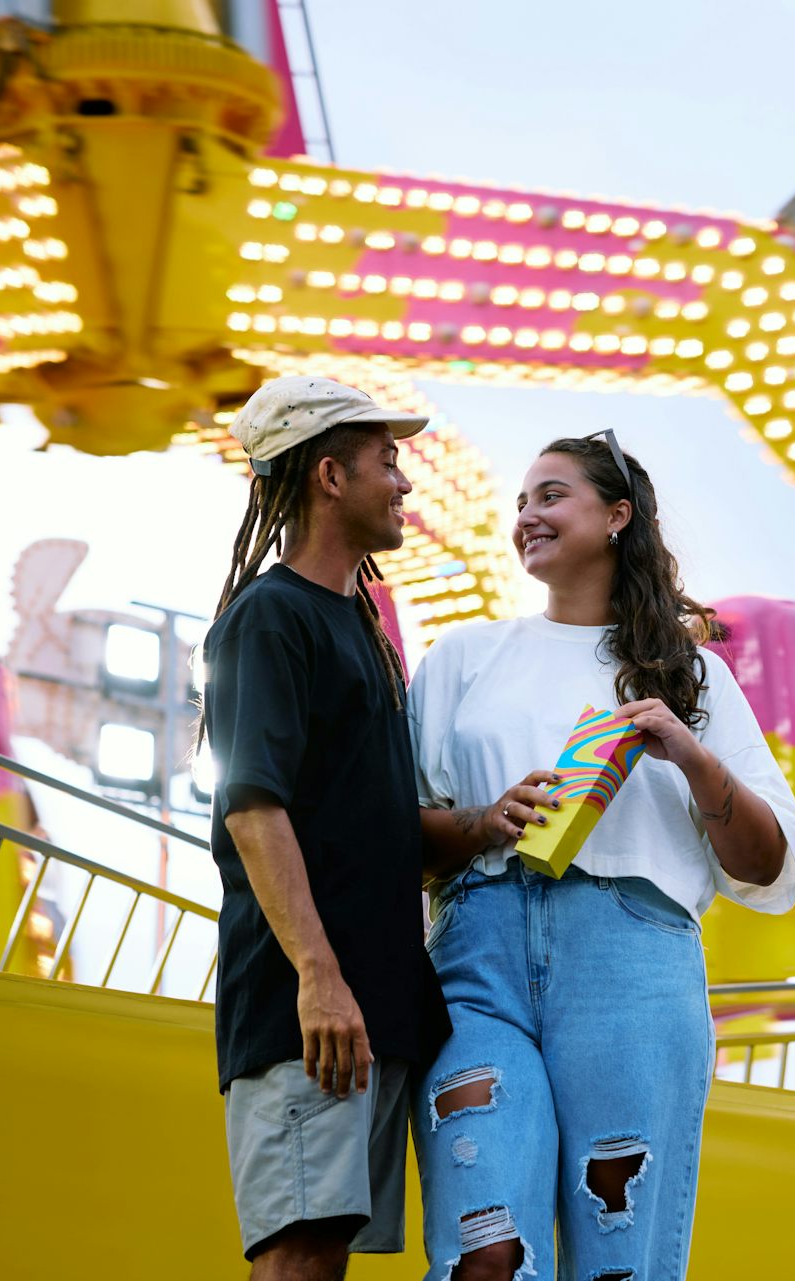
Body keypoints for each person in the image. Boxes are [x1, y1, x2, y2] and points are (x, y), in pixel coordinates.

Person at [407, 430, 795, 1280]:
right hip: (477, 957)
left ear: (617, 515)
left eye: (550, 495)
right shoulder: (462, 660)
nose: (527, 516)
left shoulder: (689, 676)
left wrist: (688, 752)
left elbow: (770, 863)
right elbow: (395, 833)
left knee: (616, 1261)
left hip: (632, 963)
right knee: (484, 1251)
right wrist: (484, 821)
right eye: (520, 503)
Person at [201, 375, 451, 1279]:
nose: (407, 482)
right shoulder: (269, 618)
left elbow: (370, 824)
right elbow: (252, 805)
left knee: (324, 1253)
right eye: (390, 460)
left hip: (366, 1010)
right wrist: (318, 977)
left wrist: (488, 826)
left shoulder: (361, 627)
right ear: (331, 475)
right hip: (311, 1010)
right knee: (298, 1259)